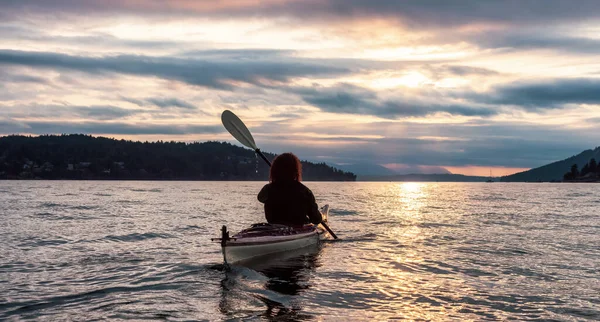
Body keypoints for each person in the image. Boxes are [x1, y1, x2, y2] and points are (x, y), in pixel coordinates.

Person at [257, 152, 322, 226]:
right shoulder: (305, 191)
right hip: (298, 227)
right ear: (295, 171)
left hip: (273, 226)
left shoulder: (267, 189)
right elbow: (316, 219)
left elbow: (260, 198)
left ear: (274, 170)